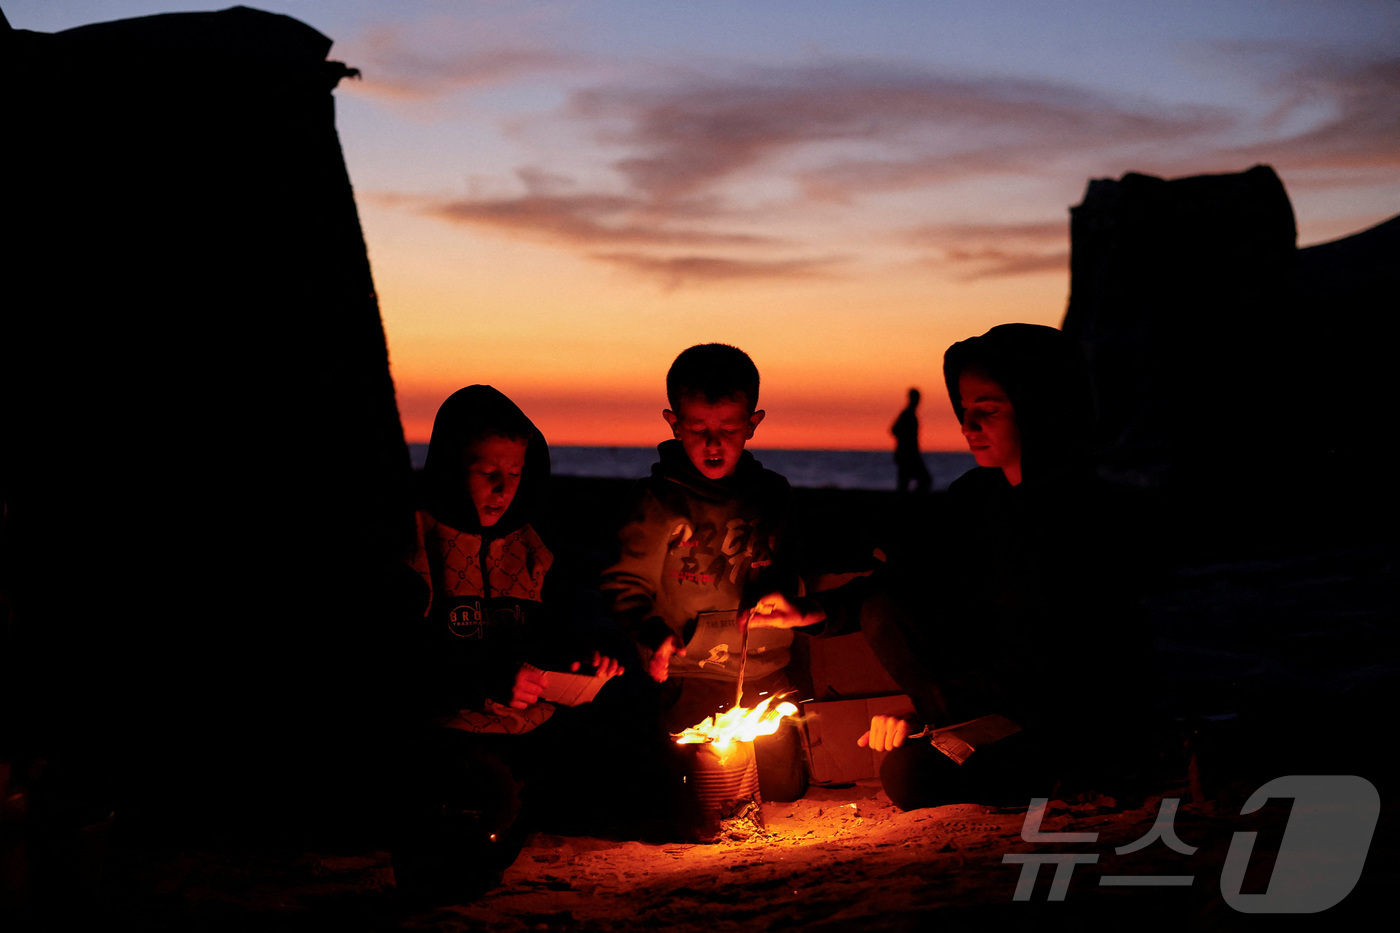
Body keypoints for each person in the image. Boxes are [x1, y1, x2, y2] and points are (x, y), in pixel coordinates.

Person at [748, 324, 1152, 809]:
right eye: (964, 412)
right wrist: (809, 611)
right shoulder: (975, 498)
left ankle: (1066, 769)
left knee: (909, 774)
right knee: (884, 608)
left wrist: (928, 713)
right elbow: (909, 581)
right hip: (984, 703)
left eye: (988, 411)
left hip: (1064, 712)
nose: (968, 427)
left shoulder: (1083, 514)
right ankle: (961, 739)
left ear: (1039, 406)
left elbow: (1064, 661)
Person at [391, 385, 634, 902]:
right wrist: (486, 681)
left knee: (624, 770)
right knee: (478, 811)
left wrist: (583, 652)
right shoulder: (414, 544)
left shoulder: (533, 545)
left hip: (531, 726)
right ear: (451, 466)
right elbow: (392, 655)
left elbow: (565, 615)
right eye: (488, 473)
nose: (504, 489)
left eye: (516, 474)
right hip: (448, 728)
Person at [601, 343, 808, 803]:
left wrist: (781, 592)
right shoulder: (657, 502)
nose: (714, 444)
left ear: (753, 424)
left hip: (766, 671)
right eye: (698, 429)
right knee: (703, 789)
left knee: (782, 789)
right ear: (673, 423)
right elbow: (623, 584)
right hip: (691, 675)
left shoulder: (773, 495)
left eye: (729, 429)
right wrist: (651, 632)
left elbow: (791, 566)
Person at [891, 387, 932, 493]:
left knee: (905, 483)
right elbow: (894, 430)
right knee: (924, 480)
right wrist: (905, 441)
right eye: (916, 399)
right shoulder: (907, 415)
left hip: (909, 454)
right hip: (907, 454)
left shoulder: (910, 415)